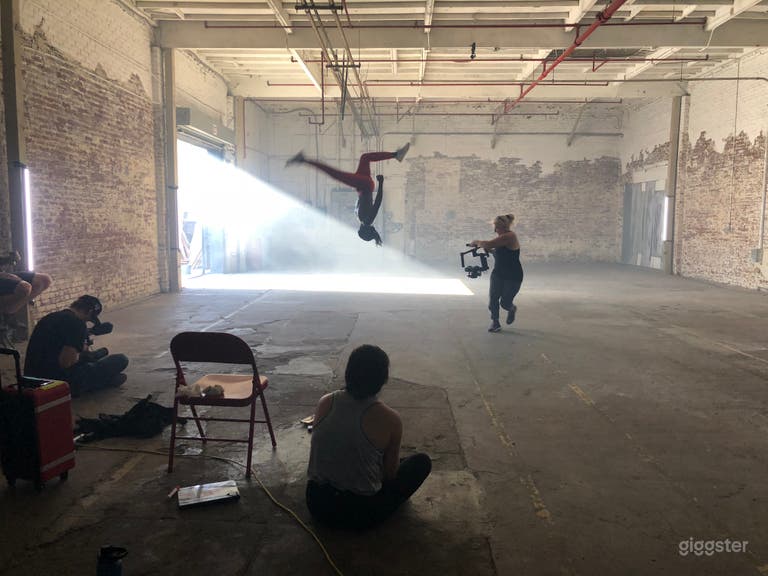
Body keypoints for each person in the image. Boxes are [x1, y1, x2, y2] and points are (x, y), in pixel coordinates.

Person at [306, 344, 431, 530]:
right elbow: (389, 475)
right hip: (360, 514)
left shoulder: (326, 401)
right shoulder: (390, 419)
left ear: (348, 373)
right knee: (420, 462)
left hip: (317, 503)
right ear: (383, 379)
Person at [286, 144, 411, 245]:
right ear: (364, 231)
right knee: (336, 174)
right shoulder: (368, 221)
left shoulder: (361, 220)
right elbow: (377, 202)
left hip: (362, 186)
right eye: (360, 232)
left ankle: (396, 155)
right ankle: (303, 160)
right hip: (365, 186)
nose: (358, 230)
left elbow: (362, 205)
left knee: (365, 158)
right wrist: (381, 182)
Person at [24, 295, 129, 397]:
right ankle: (104, 382)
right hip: (56, 383)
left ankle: (105, 380)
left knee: (97, 356)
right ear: (89, 312)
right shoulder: (77, 324)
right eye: (88, 319)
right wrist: (82, 351)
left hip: (32, 378)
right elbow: (67, 363)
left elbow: (56, 343)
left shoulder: (50, 317)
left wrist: (83, 342)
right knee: (120, 359)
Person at [470, 214, 524, 333]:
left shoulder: (510, 236)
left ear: (504, 227)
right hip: (498, 273)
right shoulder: (502, 238)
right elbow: (499, 254)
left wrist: (477, 242)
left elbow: (488, 243)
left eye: (497, 228)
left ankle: (511, 308)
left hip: (513, 276)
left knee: (505, 303)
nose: (495, 230)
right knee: (493, 299)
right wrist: (491, 251)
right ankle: (495, 322)